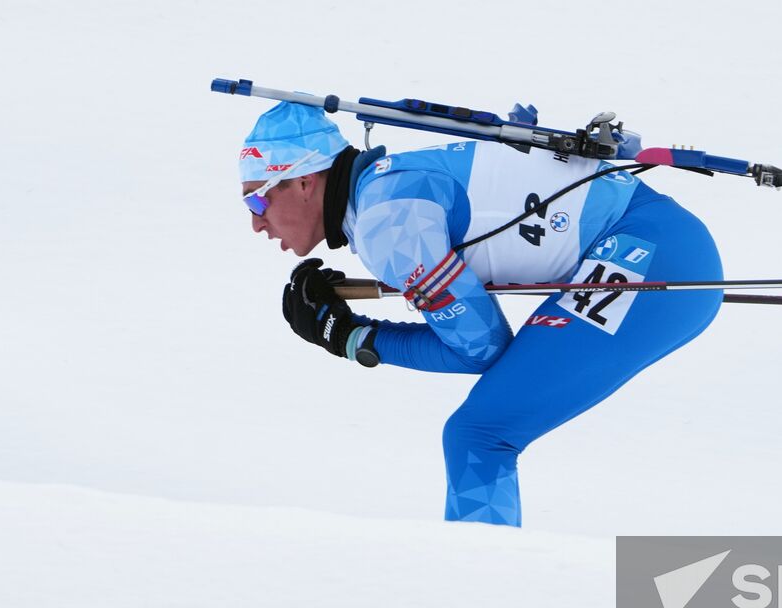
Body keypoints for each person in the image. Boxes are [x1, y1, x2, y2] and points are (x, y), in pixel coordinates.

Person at [238, 100, 723, 527]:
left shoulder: (389, 222)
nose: (256, 221)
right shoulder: (385, 193)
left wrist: (351, 337)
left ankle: (483, 583)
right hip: (660, 242)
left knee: (480, 436)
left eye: (257, 199)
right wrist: (351, 333)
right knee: (480, 430)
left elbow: (480, 350)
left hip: (649, 253)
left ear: (303, 181)